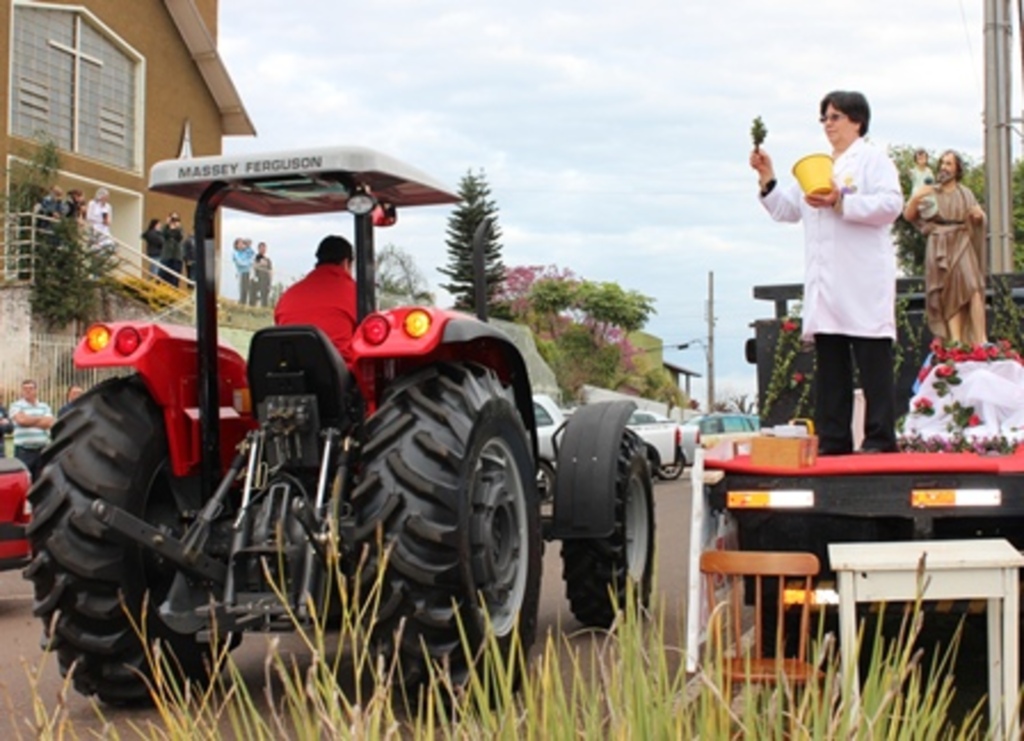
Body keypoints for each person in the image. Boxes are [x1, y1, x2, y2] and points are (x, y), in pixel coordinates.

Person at [750, 90, 903, 455]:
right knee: (831, 364)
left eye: (835, 117)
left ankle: (880, 439)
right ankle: (834, 440)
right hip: (826, 282)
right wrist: (767, 175)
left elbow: (891, 204)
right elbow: (786, 209)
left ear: (857, 121)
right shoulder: (816, 167)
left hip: (862, 278)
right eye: (824, 118)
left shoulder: (872, 160)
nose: (828, 125)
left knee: (872, 359)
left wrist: (842, 201)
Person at [904, 150, 987, 346]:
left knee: (974, 287)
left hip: (962, 240)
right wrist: (915, 198)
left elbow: (977, 216)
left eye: (949, 163)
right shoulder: (931, 191)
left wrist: (978, 217)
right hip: (939, 244)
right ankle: (955, 342)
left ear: (957, 169)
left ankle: (981, 340)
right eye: (942, 163)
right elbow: (909, 215)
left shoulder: (965, 193)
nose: (943, 167)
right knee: (948, 293)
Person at [274, 235, 358, 364]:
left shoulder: (288, 295)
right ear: (346, 263)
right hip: (339, 372)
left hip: (293, 371)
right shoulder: (357, 293)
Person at [10, 379, 54, 479]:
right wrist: (41, 419)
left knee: (41, 480)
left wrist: (28, 419)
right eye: (25, 389)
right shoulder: (16, 406)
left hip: (42, 450)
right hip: (23, 451)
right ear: (21, 391)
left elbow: (49, 423)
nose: (28, 391)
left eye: (30, 388)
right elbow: (21, 421)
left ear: (36, 390)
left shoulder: (44, 406)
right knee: (24, 480)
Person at [160, 212, 184, 286]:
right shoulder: (166, 228)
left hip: (177, 256)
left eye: (176, 219)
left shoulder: (180, 229)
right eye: (172, 219)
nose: (174, 221)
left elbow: (179, 237)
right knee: (163, 276)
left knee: (175, 278)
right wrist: (167, 225)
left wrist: (177, 228)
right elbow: (164, 235)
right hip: (166, 256)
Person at [232, 237, 256, 305]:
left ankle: (245, 303)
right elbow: (240, 263)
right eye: (239, 244)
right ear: (236, 245)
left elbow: (252, 255)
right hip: (241, 272)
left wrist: (248, 246)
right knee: (242, 289)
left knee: (247, 289)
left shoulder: (246, 252)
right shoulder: (235, 253)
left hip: (248, 272)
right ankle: (241, 303)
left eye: (242, 243)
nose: (241, 245)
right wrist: (249, 263)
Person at [252, 241, 273, 306]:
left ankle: (264, 308)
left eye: (264, 248)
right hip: (258, 279)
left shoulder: (268, 260)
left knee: (265, 295)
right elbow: (254, 266)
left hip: (266, 279)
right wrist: (260, 264)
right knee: (255, 295)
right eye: (261, 248)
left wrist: (270, 281)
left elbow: (270, 270)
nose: (263, 249)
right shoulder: (256, 257)